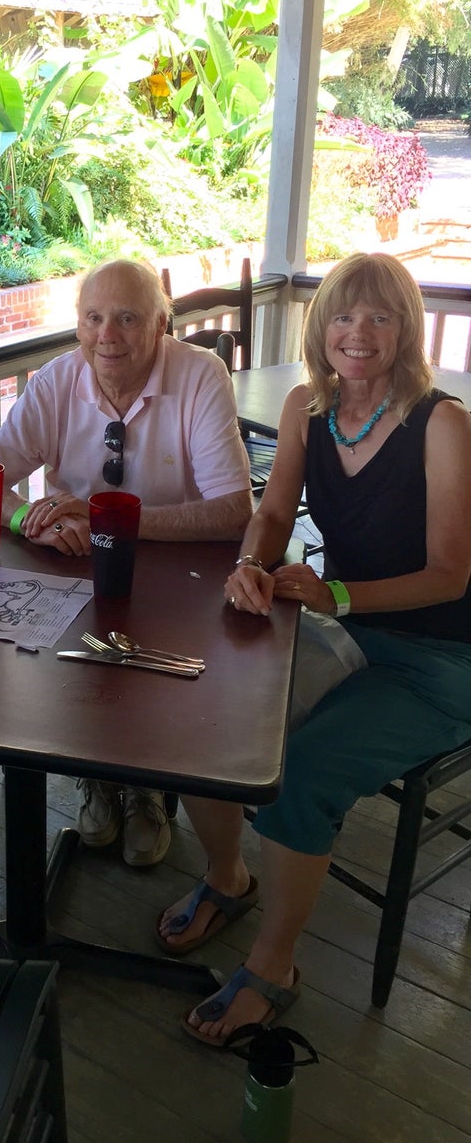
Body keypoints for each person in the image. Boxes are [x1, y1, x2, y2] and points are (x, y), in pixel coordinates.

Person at [157, 252, 471, 1047]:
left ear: (406, 331)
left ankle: (275, 965)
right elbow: (271, 514)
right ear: (320, 326)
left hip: (442, 662)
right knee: (197, 709)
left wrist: (337, 595)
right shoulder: (309, 408)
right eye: (343, 315)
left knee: (299, 774)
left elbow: (450, 574)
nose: (358, 333)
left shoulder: (442, 423)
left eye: (380, 317)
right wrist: (250, 564)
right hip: (348, 628)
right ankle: (228, 875)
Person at [0, 258, 252, 867]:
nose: (107, 335)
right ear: (78, 325)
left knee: (160, 677)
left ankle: (147, 783)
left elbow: (235, 512)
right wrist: (31, 522)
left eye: (128, 318)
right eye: (93, 318)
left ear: (160, 325)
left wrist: (112, 519)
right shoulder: (56, 381)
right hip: (77, 570)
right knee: (72, 669)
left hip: (176, 571)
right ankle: (99, 774)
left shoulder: (200, 375)